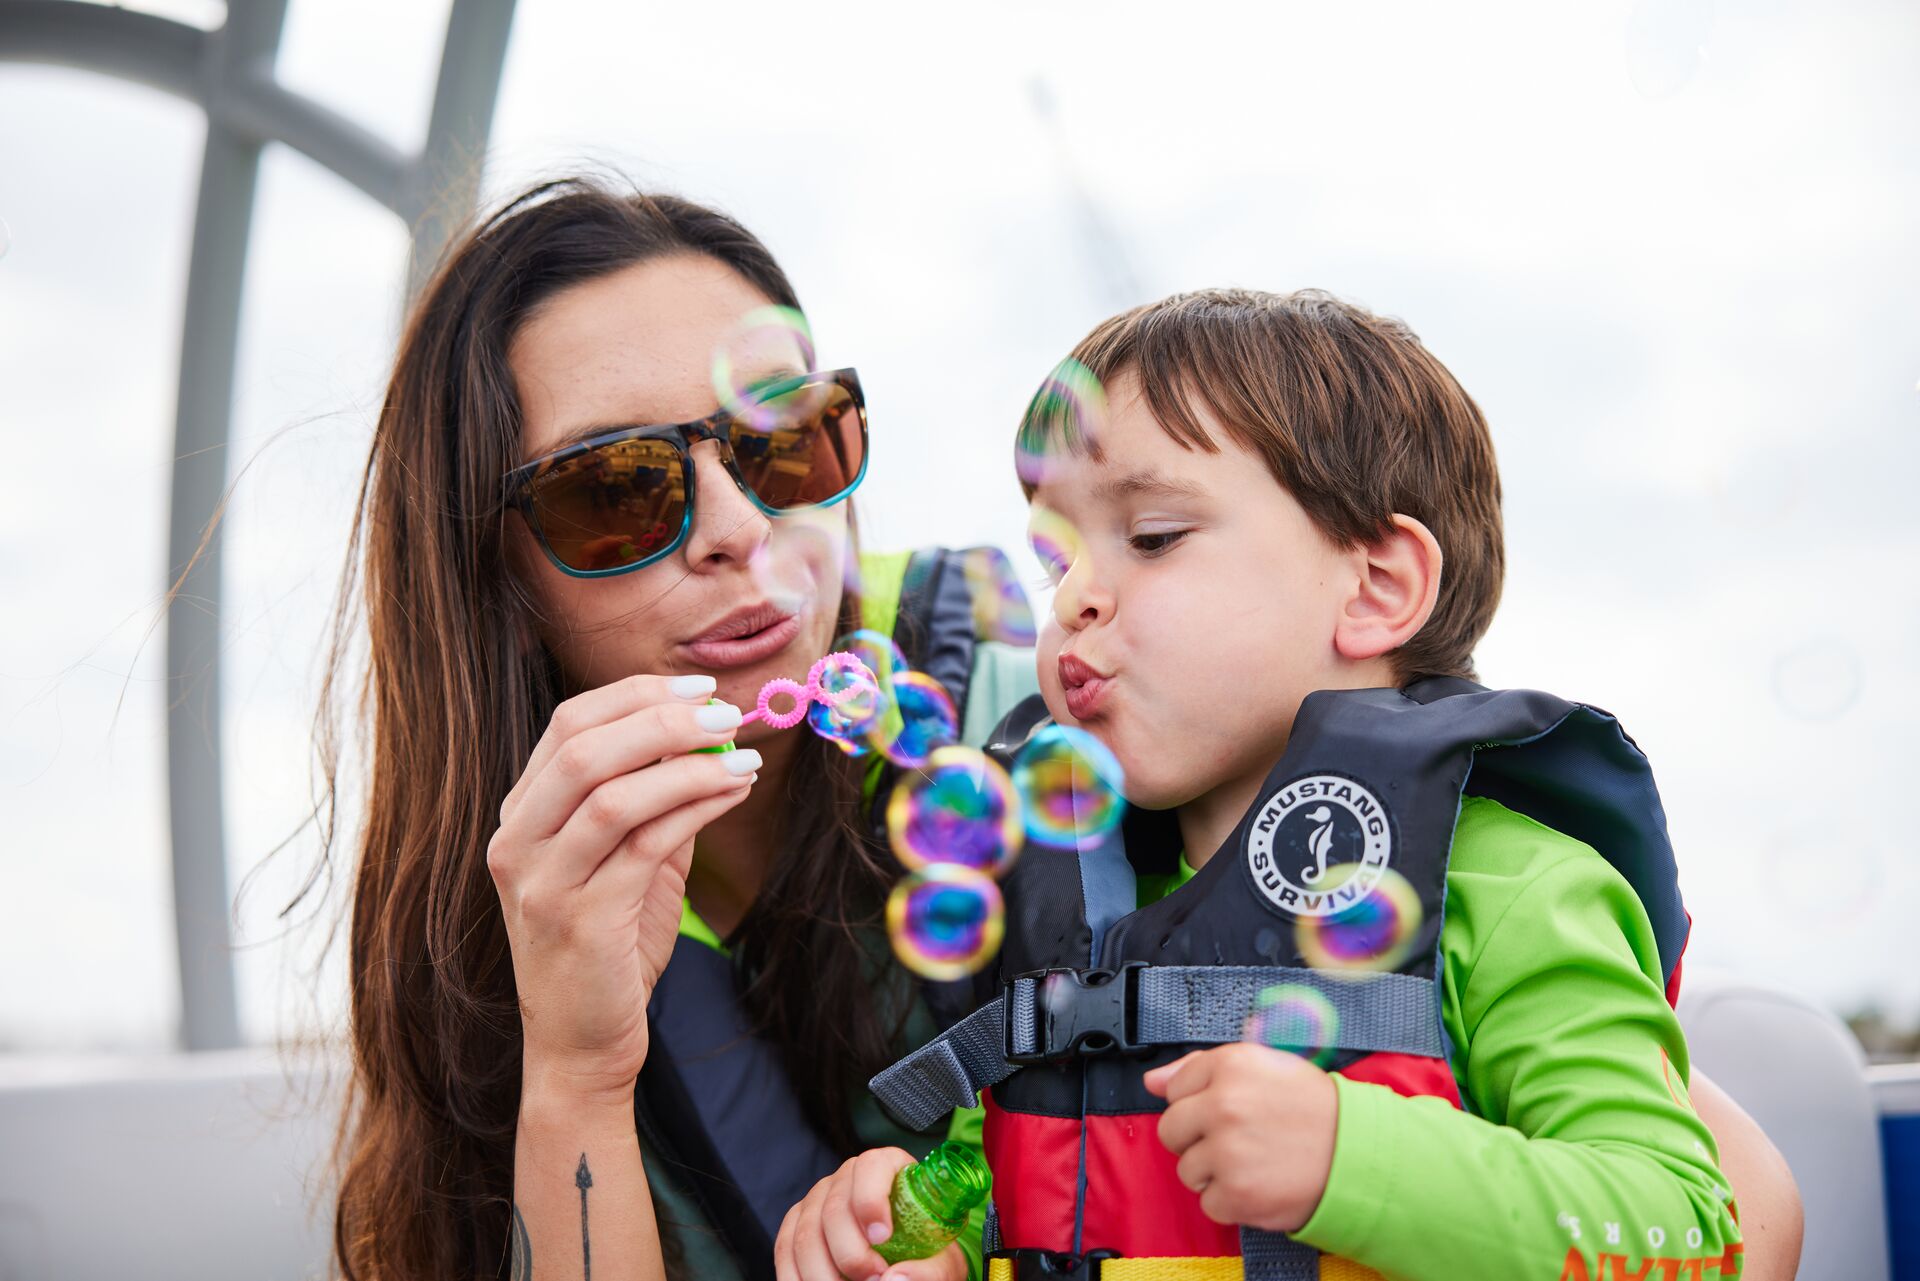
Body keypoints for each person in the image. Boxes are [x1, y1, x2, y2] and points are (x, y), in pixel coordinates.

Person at [775, 288, 1805, 1281]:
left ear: (1376, 588)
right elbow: (1021, 1173)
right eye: (1057, 563)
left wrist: (1349, 1159)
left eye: (1152, 539)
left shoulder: (1512, 891)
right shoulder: (1064, 910)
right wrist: (929, 1234)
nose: (1077, 601)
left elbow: (1688, 1234)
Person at [316, 177, 1036, 1281]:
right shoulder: (481, 924)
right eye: (613, 489)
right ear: (488, 584)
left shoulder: (1029, 717)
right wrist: (575, 1075)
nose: (742, 531)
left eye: (786, 438)